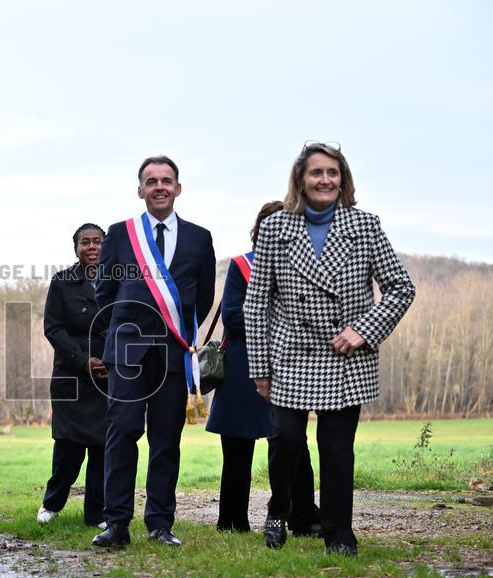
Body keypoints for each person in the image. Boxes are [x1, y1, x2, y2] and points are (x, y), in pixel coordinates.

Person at [244, 142, 415, 555]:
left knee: (336, 449)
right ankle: (280, 507)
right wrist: (259, 367)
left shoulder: (365, 225)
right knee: (286, 439)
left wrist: (363, 329)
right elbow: (256, 302)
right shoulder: (275, 228)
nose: (325, 180)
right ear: (301, 180)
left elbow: (400, 288)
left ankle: (339, 534)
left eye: (333, 173)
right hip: (291, 354)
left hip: (346, 357)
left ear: (343, 179)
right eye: (317, 172)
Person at [92, 155, 216, 548]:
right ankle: (116, 523)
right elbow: (104, 294)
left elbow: (204, 296)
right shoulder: (119, 233)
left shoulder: (200, 238)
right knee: (122, 433)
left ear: (178, 188)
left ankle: (161, 523)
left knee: (166, 440)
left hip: (174, 355)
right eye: (151, 181)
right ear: (140, 190)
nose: (159, 187)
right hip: (126, 354)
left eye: (166, 180)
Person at [205, 202, 321, 535]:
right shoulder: (241, 265)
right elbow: (233, 317)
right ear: (259, 229)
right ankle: (232, 521)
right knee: (237, 450)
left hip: (289, 367)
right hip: (243, 369)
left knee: (294, 446)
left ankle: (304, 519)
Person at [36, 223, 109, 529]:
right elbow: (52, 327)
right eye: (85, 242)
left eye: (97, 242)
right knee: (68, 445)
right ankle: (52, 503)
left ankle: (97, 514)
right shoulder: (62, 282)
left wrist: (111, 360)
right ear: (76, 248)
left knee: (103, 446)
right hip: (71, 374)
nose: (91, 247)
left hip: (108, 374)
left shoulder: (117, 279)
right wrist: (82, 360)